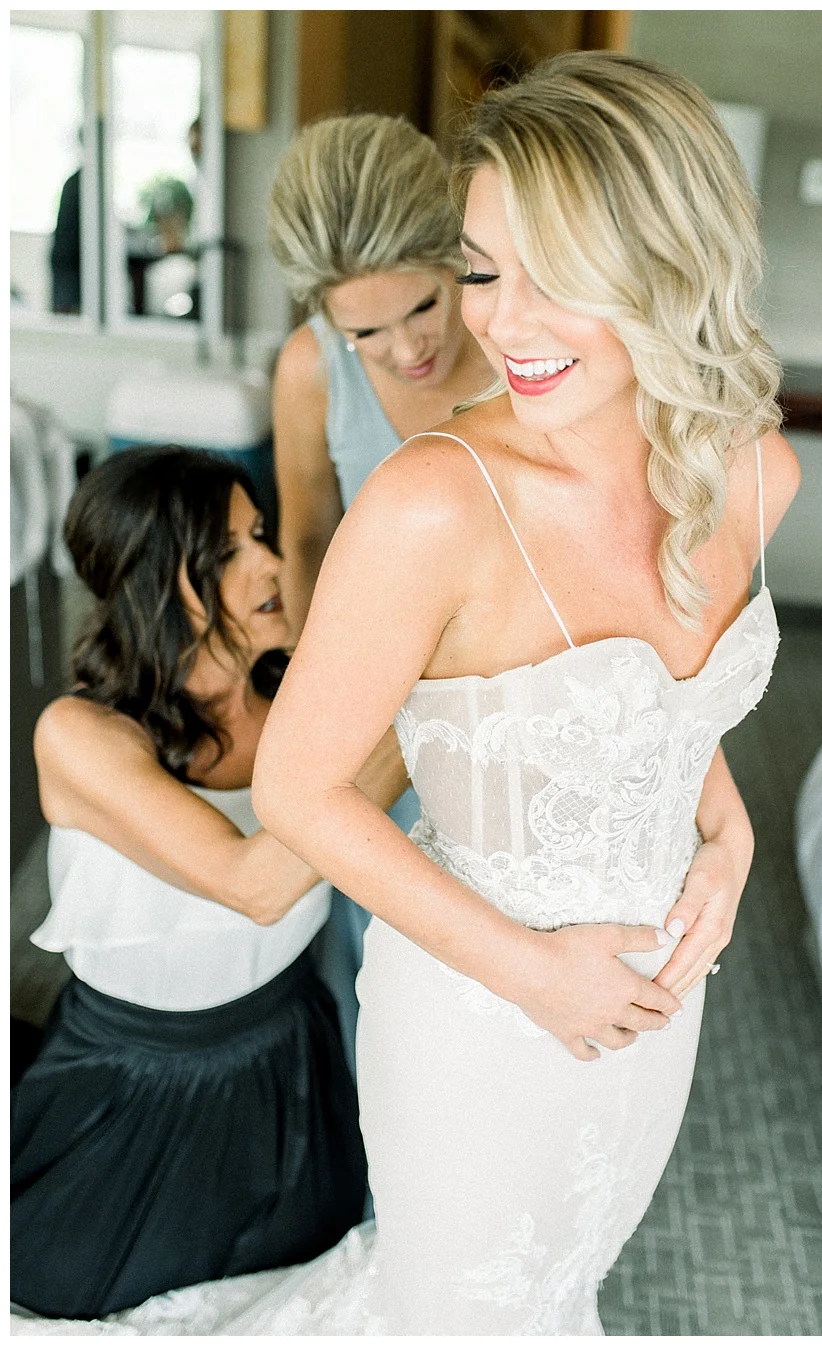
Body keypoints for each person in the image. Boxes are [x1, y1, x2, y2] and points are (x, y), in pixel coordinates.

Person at [11, 51, 800, 1335]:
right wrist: (525, 961)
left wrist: (731, 832)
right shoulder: (432, 495)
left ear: (670, 261)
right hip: (481, 1003)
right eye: (486, 271)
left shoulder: (756, 470)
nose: (497, 326)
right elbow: (299, 765)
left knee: (562, 1283)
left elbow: (661, 697)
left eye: (553, 276)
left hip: (656, 1003)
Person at [12, 447, 406, 1320]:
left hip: (287, 1050)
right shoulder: (79, 736)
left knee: (296, 1283)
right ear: (161, 581)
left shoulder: (300, 691)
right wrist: (419, 709)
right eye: (231, 550)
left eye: (260, 533)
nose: (271, 561)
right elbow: (254, 885)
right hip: (133, 1082)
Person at [265, 114, 496, 1060]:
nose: (407, 350)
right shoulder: (310, 370)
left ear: (458, 259)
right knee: (379, 946)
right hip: (378, 695)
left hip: (506, 689)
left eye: (424, 307)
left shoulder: (522, 340)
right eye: (365, 330)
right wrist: (317, 702)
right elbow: (306, 537)